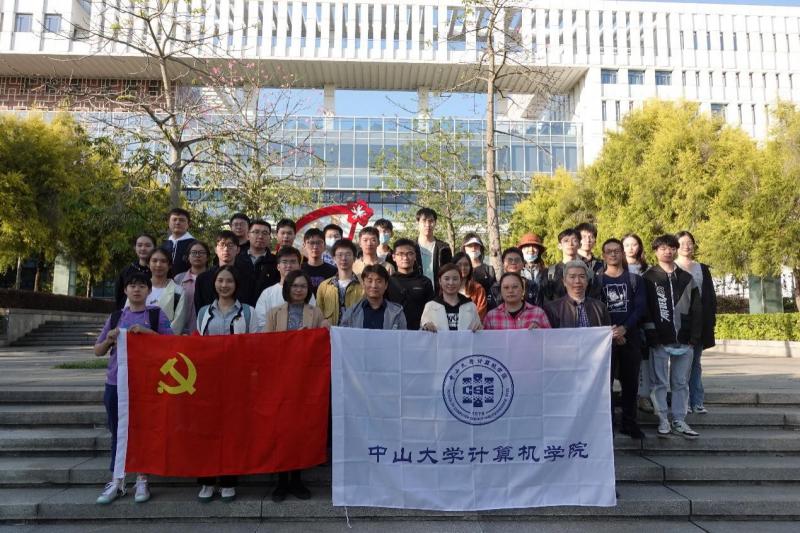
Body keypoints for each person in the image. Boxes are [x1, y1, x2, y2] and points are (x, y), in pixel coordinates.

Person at [94, 272, 173, 505]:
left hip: (146, 384)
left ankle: (142, 478)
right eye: (132, 286)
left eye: (141, 286)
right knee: (118, 430)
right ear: (125, 290)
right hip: (116, 382)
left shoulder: (156, 314)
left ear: (149, 291)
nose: (136, 290)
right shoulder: (116, 316)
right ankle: (117, 479)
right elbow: (98, 350)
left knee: (144, 430)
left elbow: (172, 344)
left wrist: (149, 334)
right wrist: (109, 339)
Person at [264, 269, 328, 502]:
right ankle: (281, 481)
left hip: (306, 380)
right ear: (287, 288)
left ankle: (298, 480)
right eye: (294, 286)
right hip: (280, 378)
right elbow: (266, 345)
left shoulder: (316, 313)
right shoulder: (274, 313)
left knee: (301, 429)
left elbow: (322, 344)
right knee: (281, 430)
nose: (299, 290)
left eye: (303, 286)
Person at [195, 265, 256, 502]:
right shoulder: (203, 312)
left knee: (232, 431)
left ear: (236, 284)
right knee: (207, 430)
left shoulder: (248, 312)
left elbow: (256, 346)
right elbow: (197, 345)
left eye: (229, 281)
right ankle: (207, 480)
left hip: (237, 381)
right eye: (220, 280)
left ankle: (229, 480)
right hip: (208, 381)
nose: (224, 285)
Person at [642, 234, 702, 439]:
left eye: (671, 248)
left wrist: (694, 337)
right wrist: (652, 335)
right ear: (655, 251)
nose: (667, 251)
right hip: (659, 340)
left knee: (680, 382)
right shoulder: (648, 278)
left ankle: (679, 419)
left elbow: (697, 309)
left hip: (685, 340)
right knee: (659, 382)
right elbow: (645, 310)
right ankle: (663, 418)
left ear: (676, 250)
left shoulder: (687, 278)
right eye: (662, 248)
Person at [600, 239, 647, 439]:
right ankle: (607, 423)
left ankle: (629, 422)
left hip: (630, 338)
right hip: (604, 340)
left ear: (622, 253)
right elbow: (596, 308)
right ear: (603, 256)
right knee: (605, 384)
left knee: (630, 383)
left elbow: (640, 308)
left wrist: (624, 329)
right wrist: (611, 332)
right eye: (609, 251)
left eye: (616, 250)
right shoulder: (598, 281)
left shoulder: (635, 280)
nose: (613, 254)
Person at [676, 230, 717, 415]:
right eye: (682, 243)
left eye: (689, 242)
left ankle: (697, 401)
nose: (686, 246)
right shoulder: (671, 267)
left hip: (699, 323)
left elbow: (710, 297)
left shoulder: (702, 268)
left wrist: (711, 320)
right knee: (679, 365)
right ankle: (681, 401)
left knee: (695, 363)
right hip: (679, 323)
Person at [254, 247, 316, 331]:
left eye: (293, 262)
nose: (289, 266)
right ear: (278, 267)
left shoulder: (307, 292)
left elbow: (313, 319)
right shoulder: (267, 293)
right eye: (284, 262)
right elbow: (260, 323)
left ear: (299, 266)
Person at [194, 231, 254, 311]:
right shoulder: (203, 278)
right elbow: (199, 307)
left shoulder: (247, 277)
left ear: (238, 250)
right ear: (216, 249)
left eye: (230, 245)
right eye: (222, 245)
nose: (226, 249)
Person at [544, 261, 611, 328]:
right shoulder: (552, 309)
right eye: (572, 277)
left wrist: (613, 332)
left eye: (582, 276)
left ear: (587, 281)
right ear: (564, 282)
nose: (577, 281)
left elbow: (606, 332)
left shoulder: (600, 308)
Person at [386, 238, 435, 331]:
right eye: (400, 254)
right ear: (393, 257)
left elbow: (431, 309)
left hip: (420, 333)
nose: (405, 257)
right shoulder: (388, 282)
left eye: (409, 253)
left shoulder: (425, 282)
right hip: (393, 333)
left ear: (415, 256)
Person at [542, 228, 601, 303]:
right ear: (559, 246)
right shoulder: (549, 273)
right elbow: (546, 302)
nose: (570, 244)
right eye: (566, 241)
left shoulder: (589, 273)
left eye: (574, 240)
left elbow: (593, 301)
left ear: (579, 245)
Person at [341, 264, 406, 330]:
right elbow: (344, 334)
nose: (374, 285)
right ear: (363, 284)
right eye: (370, 281)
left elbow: (402, 335)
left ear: (386, 285)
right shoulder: (352, 312)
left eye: (379, 281)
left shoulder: (397, 313)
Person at [141, 248, 189, 334]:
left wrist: (158, 337)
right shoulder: (137, 288)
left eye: (163, 261)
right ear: (148, 264)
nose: (158, 264)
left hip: (166, 340)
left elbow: (177, 324)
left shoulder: (178, 291)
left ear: (169, 265)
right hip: (139, 338)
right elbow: (128, 315)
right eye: (154, 261)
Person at [420, 264, 482, 332]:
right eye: (446, 279)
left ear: (460, 281)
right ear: (440, 281)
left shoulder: (470, 306)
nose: (451, 283)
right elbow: (421, 333)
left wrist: (479, 328)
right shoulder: (430, 306)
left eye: (455, 279)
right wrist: (426, 328)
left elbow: (479, 331)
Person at [316, 239, 364, 326]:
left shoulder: (362, 286)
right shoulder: (324, 286)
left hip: (355, 332)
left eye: (348, 254)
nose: (343, 258)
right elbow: (318, 314)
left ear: (354, 258)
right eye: (340, 255)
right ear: (334, 258)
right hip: (330, 332)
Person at [483, 272, 552, 330]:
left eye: (515, 287)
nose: (510, 291)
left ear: (523, 289)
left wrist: (540, 333)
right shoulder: (491, 316)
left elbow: (549, 339)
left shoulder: (538, 313)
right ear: (500, 291)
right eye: (506, 287)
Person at [174, 240, 209, 334]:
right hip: (182, 332)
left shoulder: (214, 278)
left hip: (206, 331)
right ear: (188, 257)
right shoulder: (178, 279)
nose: (197, 255)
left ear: (207, 257)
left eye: (201, 252)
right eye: (194, 252)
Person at [113, 234, 155, 310]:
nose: (143, 248)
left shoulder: (159, 271)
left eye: (148, 245)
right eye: (139, 245)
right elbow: (119, 296)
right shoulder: (126, 271)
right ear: (135, 248)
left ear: (154, 247)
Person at [239, 220, 279, 299]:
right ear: (248, 236)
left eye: (265, 233)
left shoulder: (276, 262)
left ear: (270, 238)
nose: (260, 236)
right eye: (256, 232)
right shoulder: (237, 259)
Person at [414, 207, 452, 290]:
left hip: (439, 293)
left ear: (435, 223)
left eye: (431, 221)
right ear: (418, 223)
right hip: (416, 293)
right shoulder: (411, 248)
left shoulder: (444, 248)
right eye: (424, 221)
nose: (428, 225)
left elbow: (449, 272)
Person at [301, 228, 337, 296]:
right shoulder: (299, 270)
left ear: (324, 246)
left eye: (319, 243)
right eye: (311, 243)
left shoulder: (334, 271)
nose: (315, 247)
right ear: (304, 245)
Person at [452, 252, 487, 319]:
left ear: (470, 267)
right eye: (459, 265)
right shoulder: (447, 287)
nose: (463, 268)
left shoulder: (478, 289)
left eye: (466, 265)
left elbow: (481, 312)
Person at [161, 208, 194, 276]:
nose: (177, 223)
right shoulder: (163, 246)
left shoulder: (195, 245)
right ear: (168, 223)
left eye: (182, 220)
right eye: (174, 219)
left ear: (189, 223)